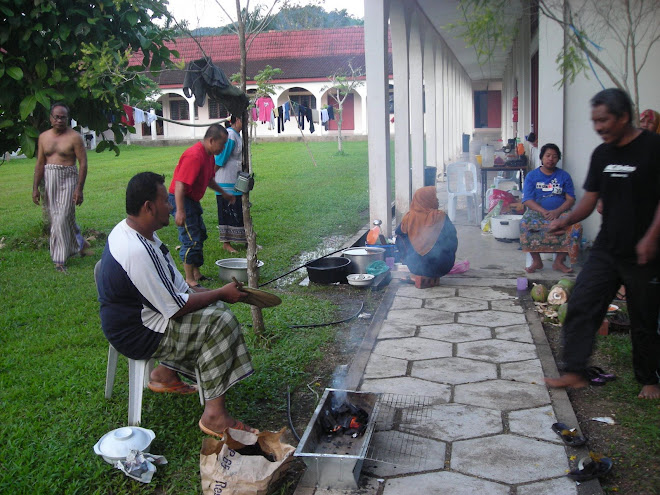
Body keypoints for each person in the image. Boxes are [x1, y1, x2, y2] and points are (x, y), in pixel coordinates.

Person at [98, 172, 257, 435]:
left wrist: (215, 293)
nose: (171, 206)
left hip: (140, 318)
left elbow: (179, 288)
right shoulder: (136, 251)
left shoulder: (136, 232)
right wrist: (219, 293)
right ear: (149, 207)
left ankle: (163, 375)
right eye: (165, 201)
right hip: (137, 335)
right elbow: (176, 308)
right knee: (220, 321)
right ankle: (215, 416)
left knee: (214, 308)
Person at [545, 88, 660, 400]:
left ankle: (649, 379)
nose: (598, 127)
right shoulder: (602, 154)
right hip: (608, 248)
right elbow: (590, 200)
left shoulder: (653, 147)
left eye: (604, 120)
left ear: (624, 117)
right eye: (594, 121)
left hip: (644, 252)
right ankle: (575, 372)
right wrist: (566, 220)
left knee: (644, 318)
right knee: (582, 303)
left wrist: (651, 237)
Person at [169, 124, 235, 288]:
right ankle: (189, 280)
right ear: (212, 140)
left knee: (200, 234)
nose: (224, 147)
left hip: (191, 200)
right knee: (190, 238)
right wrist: (180, 211)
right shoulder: (194, 156)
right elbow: (179, 185)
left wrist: (224, 193)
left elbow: (210, 180)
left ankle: (196, 273)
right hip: (181, 198)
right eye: (223, 143)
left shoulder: (209, 155)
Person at [32, 102, 92, 272]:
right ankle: (80, 242)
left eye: (63, 117)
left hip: (68, 177)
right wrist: (35, 187)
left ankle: (59, 259)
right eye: (56, 117)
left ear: (68, 119)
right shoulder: (43, 137)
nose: (59, 120)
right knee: (59, 217)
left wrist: (79, 189)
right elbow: (40, 163)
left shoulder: (75, 137)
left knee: (62, 217)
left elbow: (83, 164)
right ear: (51, 118)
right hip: (50, 177)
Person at [519, 143, 582, 274]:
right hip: (537, 212)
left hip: (561, 212)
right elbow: (527, 200)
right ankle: (536, 261)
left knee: (576, 227)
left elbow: (571, 199)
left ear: (558, 159)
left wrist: (557, 212)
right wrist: (543, 211)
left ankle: (559, 261)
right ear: (542, 157)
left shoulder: (564, 176)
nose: (550, 159)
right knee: (524, 223)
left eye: (554, 156)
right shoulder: (532, 176)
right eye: (548, 156)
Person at [395, 186, 458, 289]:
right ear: (427, 200)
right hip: (441, 267)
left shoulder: (408, 218)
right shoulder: (440, 216)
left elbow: (399, 240)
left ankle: (416, 275)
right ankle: (430, 276)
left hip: (414, 267)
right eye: (434, 198)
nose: (437, 200)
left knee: (400, 239)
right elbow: (453, 241)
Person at [215, 116, 247, 253]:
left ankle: (243, 239)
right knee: (226, 212)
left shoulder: (237, 135)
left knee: (238, 210)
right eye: (244, 119)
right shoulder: (230, 136)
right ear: (238, 119)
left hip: (235, 180)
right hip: (225, 180)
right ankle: (226, 243)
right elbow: (221, 158)